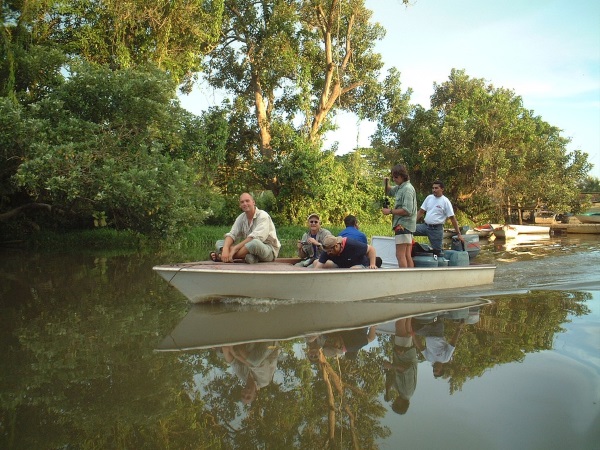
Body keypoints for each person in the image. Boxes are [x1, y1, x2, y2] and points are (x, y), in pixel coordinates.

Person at [211, 192, 281, 264]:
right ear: (240, 205)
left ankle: (222, 256)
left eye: (247, 201)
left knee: (255, 243)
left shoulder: (263, 216)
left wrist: (235, 248)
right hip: (248, 249)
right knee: (219, 243)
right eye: (242, 202)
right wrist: (225, 248)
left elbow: (254, 238)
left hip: (268, 250)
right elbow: (232, 234)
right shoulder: (241, 218)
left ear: (253, 202)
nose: (245, 204)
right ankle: (247, 257)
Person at [415, 180, 464, 255]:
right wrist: (411, 223)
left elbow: (452, 219)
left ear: (442, 189)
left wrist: (458, 234)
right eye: (433, 188)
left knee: (437, 252)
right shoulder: (429, 198)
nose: (434, 190)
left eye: (436, 188)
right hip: (425, 226)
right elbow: (421, 212)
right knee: (407, 230)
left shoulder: (445, 201)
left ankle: (439, 262)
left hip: (436, 230)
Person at [382, 164, 417, 268]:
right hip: (406, 227)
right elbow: (389, 191)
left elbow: (407, 210)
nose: (394, 179)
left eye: (396, 177)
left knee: (400, 255)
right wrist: (386, 182)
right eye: (393, 177)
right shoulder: (400, 187)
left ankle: (404, 279)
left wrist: (390, 211)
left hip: (403, 226)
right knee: (407, 255)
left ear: (403, 176)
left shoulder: (407, 189)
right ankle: (410, 279)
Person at [383, 318, 418, 415]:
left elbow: (391, 376)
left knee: (407, 325)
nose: (394, 401)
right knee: (400, 325)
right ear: (401, 404)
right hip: (404, 353)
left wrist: (387, 391)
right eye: (395, 403)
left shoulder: (400, 392)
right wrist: (391, 366)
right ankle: (404, 305)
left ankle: (409, 307)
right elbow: (408, 370)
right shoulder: (407, 392)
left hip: (401, 353)